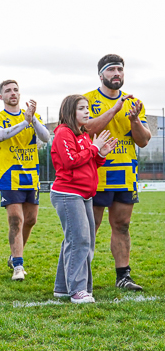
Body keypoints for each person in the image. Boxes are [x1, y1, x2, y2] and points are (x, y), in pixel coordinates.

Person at [85, 54, 150, 291]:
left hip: (125, 174)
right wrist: (115, 109)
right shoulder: (88, 100)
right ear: (101, 74)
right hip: (96, 172)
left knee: (122, 225)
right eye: (111, 70)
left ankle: (123, 276)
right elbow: (88, 128)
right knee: (91, 225)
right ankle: (80, 273)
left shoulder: (134, 102)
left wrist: (134, 120)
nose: (117, 74)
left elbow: (143, 141)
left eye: (120, 70)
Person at [51, 95, 117, 303]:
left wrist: (100, 154)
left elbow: (88, 163)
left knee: (82, 240)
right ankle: (78, 290)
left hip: (84, 194)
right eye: (81, 108)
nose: (87, 112)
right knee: (79, 240)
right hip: (68, 194)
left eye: (87, 108)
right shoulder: (63, 133)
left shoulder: (83, 134)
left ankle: (62, 287)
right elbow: (70, 162)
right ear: (70, 112)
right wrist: (93, 148)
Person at [0, 80, 50, 281]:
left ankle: (14, 255)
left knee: (30, 220)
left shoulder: (34, 117)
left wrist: (33, 120)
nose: (12, 93)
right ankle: (18, 265)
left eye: (15, 90)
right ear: (1, 97)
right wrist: (24, 122)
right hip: (9, 175)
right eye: (8, 91)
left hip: (31, 176)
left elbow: (46, 137)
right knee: (16, 220)